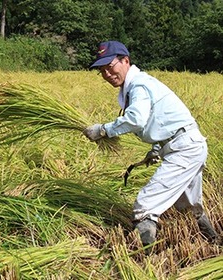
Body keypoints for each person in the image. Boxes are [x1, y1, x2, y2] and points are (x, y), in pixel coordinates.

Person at [83, 40, 218, 252]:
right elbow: (161, 121)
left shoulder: (139, 85)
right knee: (188, 207)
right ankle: (215, 243)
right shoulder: (135, 86)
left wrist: (102, 130)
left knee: (145, 207)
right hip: (183, 145)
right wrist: (156, 149)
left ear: (125, 61)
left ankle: (143, 259)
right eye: (102, 70)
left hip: (185, 149)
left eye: (110, 67)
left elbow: (136, 119)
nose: (107, 74)